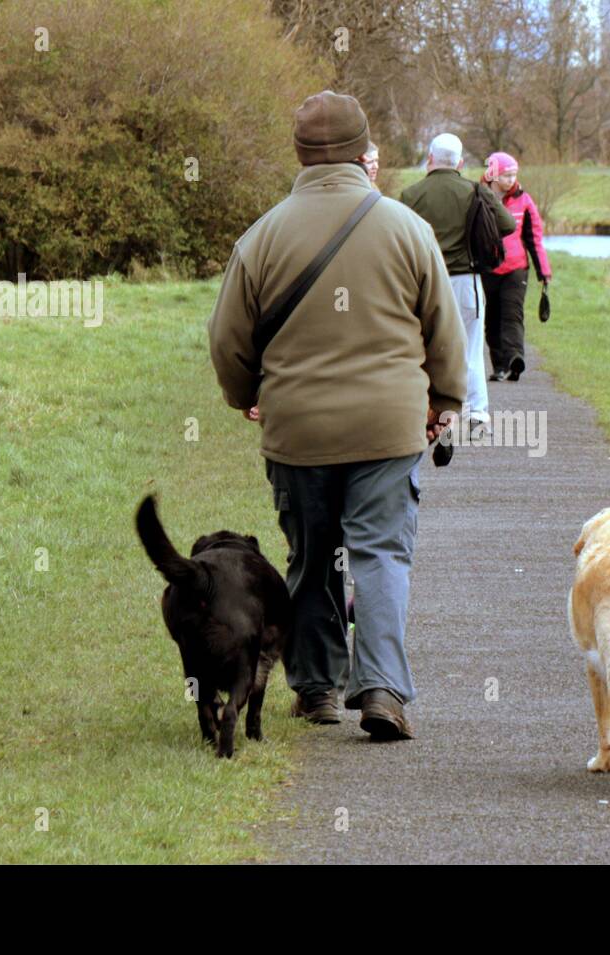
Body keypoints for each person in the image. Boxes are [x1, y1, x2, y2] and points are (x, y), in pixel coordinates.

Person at [208, 91, 467, 741]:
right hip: (387, 427)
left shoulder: (262, 236)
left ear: (299, 153)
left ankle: (318, 687)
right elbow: (445, 326)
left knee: (311, 556)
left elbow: (227, 340)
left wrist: (247, 395)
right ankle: (381, 688)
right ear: (363, 151)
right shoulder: (406, 228)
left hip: (298, 430)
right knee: (381, 554)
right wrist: (445, 401)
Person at [400, 133, 515, 436]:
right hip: (467, 279)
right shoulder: (474, 191)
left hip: (425, 282)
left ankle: (433, 413)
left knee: (428, 347)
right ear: (461, 163)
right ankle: (477, 414)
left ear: (430, 160)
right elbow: (507, 224)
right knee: (471, 348)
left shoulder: (411, 195)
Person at [480, 152, 551, 382]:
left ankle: (515, 358)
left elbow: (534, 239)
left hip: (516, 268)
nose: (511, 180)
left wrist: (544, 271)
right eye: (506, 175)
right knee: (492, 319)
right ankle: (499, 366)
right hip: (488, 268)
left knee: (512, 315)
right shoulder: (479, 197)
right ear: (493, 175)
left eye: (513, 175)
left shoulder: (524, 200)